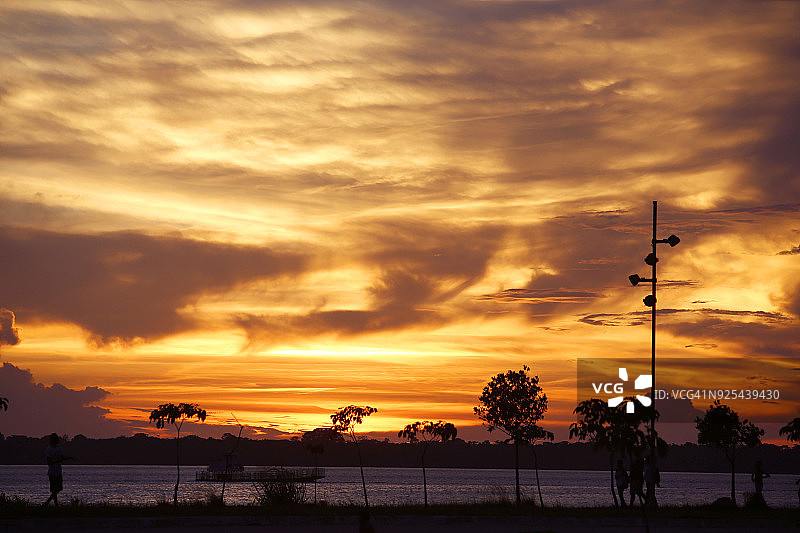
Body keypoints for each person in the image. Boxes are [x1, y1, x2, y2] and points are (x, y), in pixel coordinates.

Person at [43, 433, 72, 506]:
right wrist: (59, 461)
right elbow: (49, 462)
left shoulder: (59, 447)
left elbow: (61, 457)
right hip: (52, 472)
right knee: (55, 490)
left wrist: (69, 458)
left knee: (58, 488)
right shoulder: (49, 449)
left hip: (58, 471)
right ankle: (50, 504)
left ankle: (52, 504)